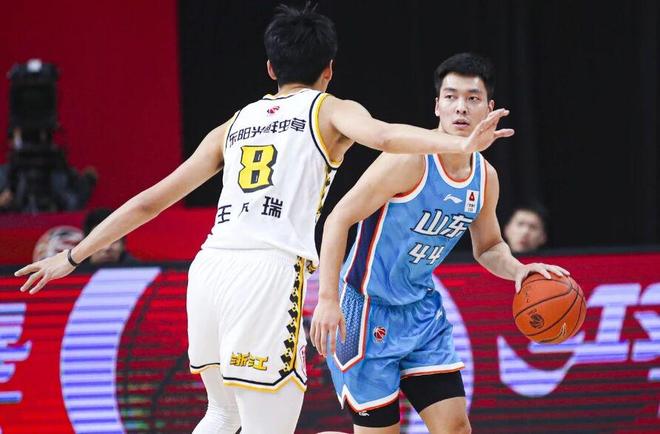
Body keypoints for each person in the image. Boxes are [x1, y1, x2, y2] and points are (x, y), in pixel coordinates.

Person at [15, 6, 513, 433]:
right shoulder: (329, 111)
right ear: (329, 70)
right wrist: (458, 142)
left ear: (271, 67)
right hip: (267, 273)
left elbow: (150, 201)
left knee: (221, 413)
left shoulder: (233, 125)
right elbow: (383, 136)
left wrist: (74, 255)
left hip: (208, 271)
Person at [310, 53, 569, 434]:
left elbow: (489, 247)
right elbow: (338, 219)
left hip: (421, 313)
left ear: (489, 108)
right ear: (437, 106)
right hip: (366, 311)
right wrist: (328, 299)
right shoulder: (408, 160)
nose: (460, 107)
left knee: (456, 428)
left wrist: (519, 269)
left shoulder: (485, 177)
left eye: (472, 98)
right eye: (450, 97)